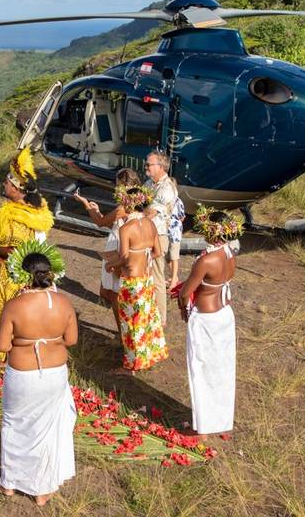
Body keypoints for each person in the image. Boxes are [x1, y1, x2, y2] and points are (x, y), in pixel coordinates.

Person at [0, 240, 77, 507]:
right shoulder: (64, 303)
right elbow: (72, 339)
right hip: (54, 373)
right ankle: (41, 490)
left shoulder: (15, 306)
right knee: (46, 429)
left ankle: (9, 483)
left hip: (22, 373)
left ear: (23, 274)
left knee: (15, 424)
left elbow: (2, 346)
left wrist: (26, 341)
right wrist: (48, 338)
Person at [0, 148, 54, 364]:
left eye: (8, 183)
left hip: (15, 275)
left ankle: (7, 358)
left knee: (10, 313)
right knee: (10, 312)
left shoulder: (24, 215)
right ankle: (9, 353)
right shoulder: (18, 210)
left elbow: (20, 248)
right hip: (13, 271)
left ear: (18, 189)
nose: (4, 186)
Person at [176, 206, 243, 438]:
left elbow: (186, 293)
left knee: (201, 370)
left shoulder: (207, 260)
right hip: (224, 315)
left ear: (212, 231)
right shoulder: (229, 254)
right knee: (222, 371)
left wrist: (183, 309)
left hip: (206, 319)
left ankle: (202, 429)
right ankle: (219, 420)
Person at [105, 185, 169, 372]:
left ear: (129, 203)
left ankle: (132, 365)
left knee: (132, 324)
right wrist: (142, 254)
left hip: (132, 282)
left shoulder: (127, 228)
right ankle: (150, 356)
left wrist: (111, 264)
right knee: (147, 320)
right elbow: (158, 252)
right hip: (146, 280)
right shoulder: (150, 224)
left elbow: (124, 257)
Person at [73, 167, 140, 338]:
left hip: (117, 248)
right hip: (118, 243)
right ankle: (123, 330)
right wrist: (99, 212)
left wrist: (86, 205)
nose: (116, 188)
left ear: (124, 186)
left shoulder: (122, 208)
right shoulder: (135, 206)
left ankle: (122, 333)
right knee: (108, 291)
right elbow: (113, 224)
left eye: (118, 185)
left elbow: (100, 222)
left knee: (113, 293)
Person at [143, 150, 178, 327]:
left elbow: (149, 212)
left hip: (158, 236)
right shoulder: (149, 183)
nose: (146, 166)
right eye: (147, 163)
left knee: (157, 277)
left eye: (149, 164)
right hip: (145, 235)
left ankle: (161, 318)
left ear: (161, 166)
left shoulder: (166, 188)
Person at [167, 192, 186, 290]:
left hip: (174, 232)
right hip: (165, 230)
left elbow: (182, 216)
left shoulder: (178, 201)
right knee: (167, 256)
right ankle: (174, 276)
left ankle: (174, 280)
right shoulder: (165, 198)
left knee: (174, 256)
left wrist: (175, 223)